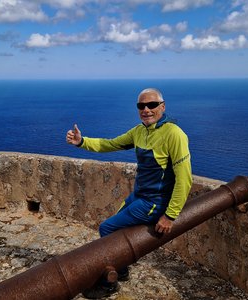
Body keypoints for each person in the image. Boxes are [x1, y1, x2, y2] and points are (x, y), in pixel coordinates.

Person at [66, 88, 193, 299]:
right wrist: (82, 142)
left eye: (152, 105)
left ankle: (110, 281)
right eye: (141, 106)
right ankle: (121, 268)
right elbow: (110, 144)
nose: (146, 109)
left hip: (155, 201)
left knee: (107, 228)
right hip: (139, 196)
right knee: (114, 228)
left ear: (163, 106)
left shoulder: (174, 134)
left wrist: (170, 215)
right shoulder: (139, 132)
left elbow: (184, 178)